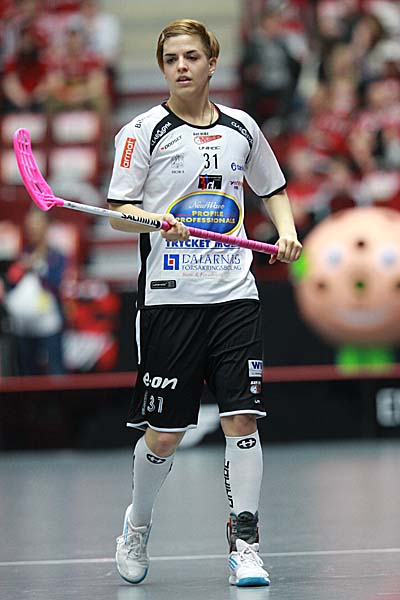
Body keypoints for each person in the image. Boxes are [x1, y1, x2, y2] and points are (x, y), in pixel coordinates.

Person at [107, 19, 302, 587]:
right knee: (164, 436)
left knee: (242, 418)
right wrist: (153, 220)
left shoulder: (242, 127)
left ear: (212, 63)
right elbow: (119, 212)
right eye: (171, 59)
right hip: (170, 301)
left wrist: (286, 231)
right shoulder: (142, 132)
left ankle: (246, 544)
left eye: (191, 56)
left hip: (234, 294)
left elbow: (272, 187)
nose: (182, 67)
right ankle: (137, 525)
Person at [3, 209, 67, 376]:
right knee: (27, 372)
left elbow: (57, 283)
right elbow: (11, 281)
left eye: (37, 225)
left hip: (49, 322)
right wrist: (21, 269)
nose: (33, 229)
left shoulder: (56, 256)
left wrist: (39, 268)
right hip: (23, 325)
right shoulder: (22, 255)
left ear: (46, 227)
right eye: (30, 226)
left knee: (55, 369)